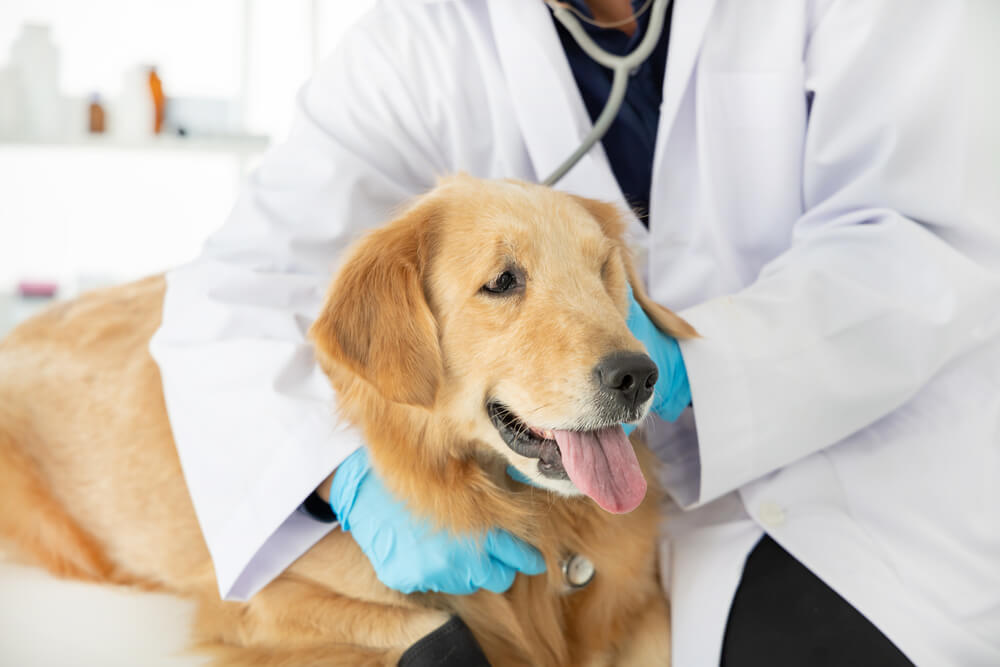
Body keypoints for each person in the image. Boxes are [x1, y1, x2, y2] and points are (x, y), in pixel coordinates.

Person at [149, 0, 1000, 664]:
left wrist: (701, 362)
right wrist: (343, 480)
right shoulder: (422, 36)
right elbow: (242, 284)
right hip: (594, 521)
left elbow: (927, 234)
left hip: (877, 482)